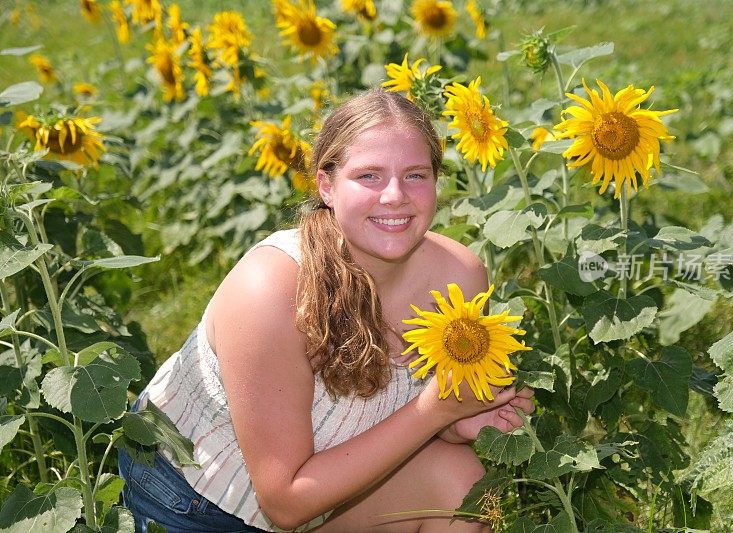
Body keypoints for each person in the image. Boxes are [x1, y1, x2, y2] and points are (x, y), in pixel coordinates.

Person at [118, 88, 534, 532]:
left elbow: (412, 420)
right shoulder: (272, 289)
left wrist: (459, 423)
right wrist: (437, 412)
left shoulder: (460, 278)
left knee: (463, 481)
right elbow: (285, 503)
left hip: (335, 499)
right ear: (326, 186)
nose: (395, 195)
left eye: (415, 175)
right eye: (369, 176)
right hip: (197, 506)